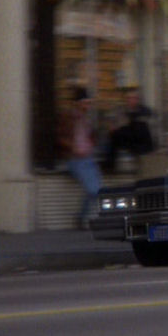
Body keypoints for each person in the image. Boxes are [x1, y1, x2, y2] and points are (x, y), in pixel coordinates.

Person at [58, 86, 102, 230]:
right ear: (77, 103)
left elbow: (91, 137)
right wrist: (72, 147)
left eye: (89, 103)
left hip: (88, 158)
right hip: (75, 159)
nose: (87, 106)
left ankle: (87, 218)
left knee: (99, 190)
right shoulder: (68, 117)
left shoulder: (87, 119)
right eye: (85, 103)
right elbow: (60, 137)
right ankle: (80, 218)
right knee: (92, 190)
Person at [104, 87, 154, 172]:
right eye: (129, 98)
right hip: (126, 139)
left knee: (141, 126)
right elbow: (110, 120)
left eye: (134, 98)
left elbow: (148, 125)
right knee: (114, 136)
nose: (131, 100)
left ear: (138, 99)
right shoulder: (120, 110)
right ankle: (109, 166)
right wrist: (113, 126)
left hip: (139, 140)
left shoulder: (144, 111)